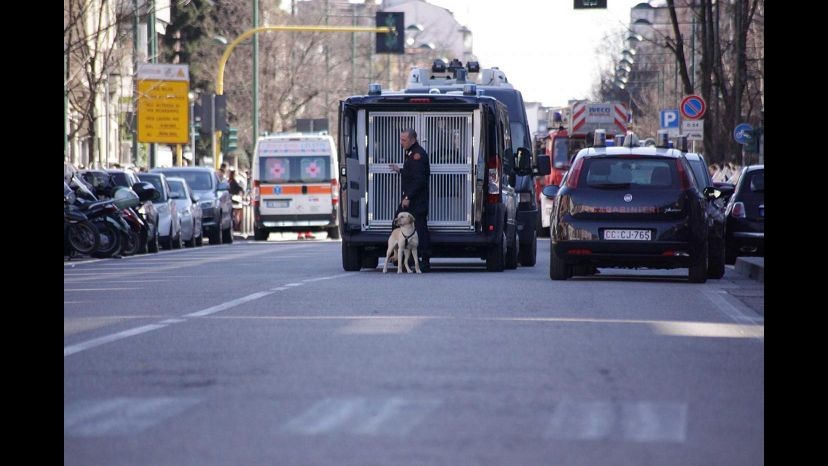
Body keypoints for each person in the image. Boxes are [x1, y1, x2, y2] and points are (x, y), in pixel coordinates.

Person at [390, 128, 431, 272]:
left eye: (404, 140)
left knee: (419, 230)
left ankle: (424, 262)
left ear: (412, 140)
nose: (401, 143)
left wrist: (407, 197)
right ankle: (401, 258)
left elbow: (419, 180)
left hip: (416, 200)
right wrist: (400, 170)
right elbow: (411, 173)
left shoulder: (417, 155)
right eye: (401, 139)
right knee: (398, 224)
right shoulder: (411, 153)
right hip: (412, 198)